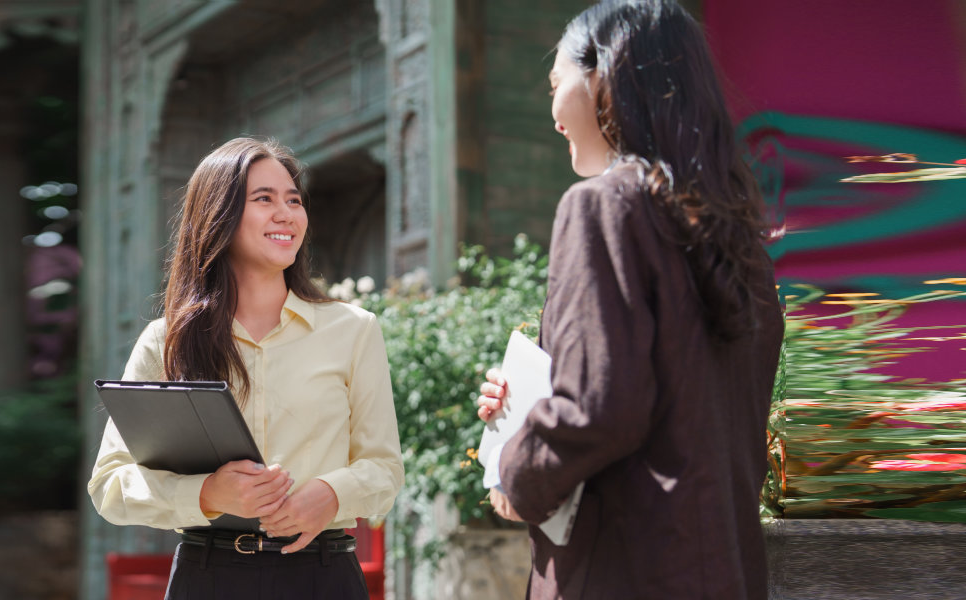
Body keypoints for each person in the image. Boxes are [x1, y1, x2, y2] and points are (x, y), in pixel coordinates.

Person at [472, 1, 784, 598]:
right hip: (723, 567)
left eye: (555, 83)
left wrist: (516, 468)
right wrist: (532, 399)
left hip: (622, 568)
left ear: (603, 76)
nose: (552, 112)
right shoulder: (740, 243)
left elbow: (598, 409)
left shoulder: (603, 207)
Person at [88, 137, 403, 600]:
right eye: (264, 199)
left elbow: (385, 468)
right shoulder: (166, 339)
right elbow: (110, 485)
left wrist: (332, 493)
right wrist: (208, 494)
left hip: (324, 576)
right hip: (208, 578)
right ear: (219, 214)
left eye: (294, 200)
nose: (286, 214)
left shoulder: (353, 329)